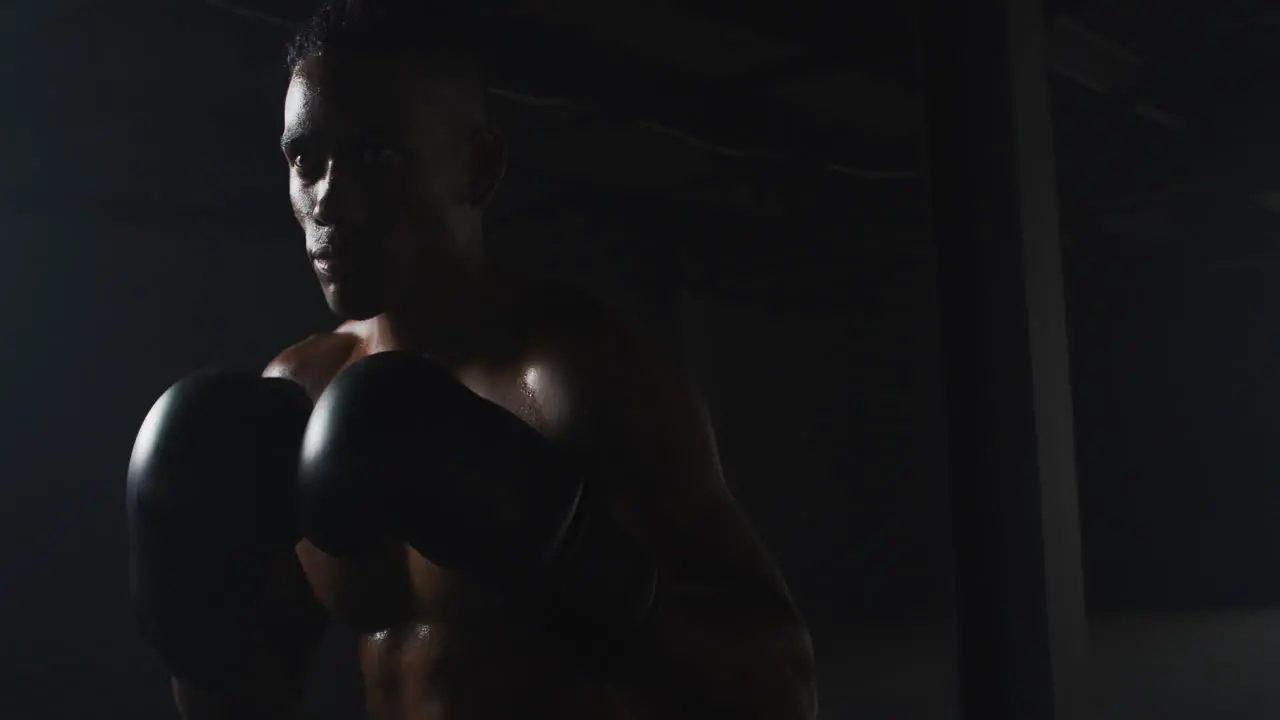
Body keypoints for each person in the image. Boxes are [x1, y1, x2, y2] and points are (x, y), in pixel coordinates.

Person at [125, 1, 817, 718]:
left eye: (376, 155)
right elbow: (245, 697)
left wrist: (584, 567)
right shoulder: (298, 389)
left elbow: (782, 691)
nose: (331, 197)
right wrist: (198, 633)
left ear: (479, 167)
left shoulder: (574, 378)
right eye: (307, 159)